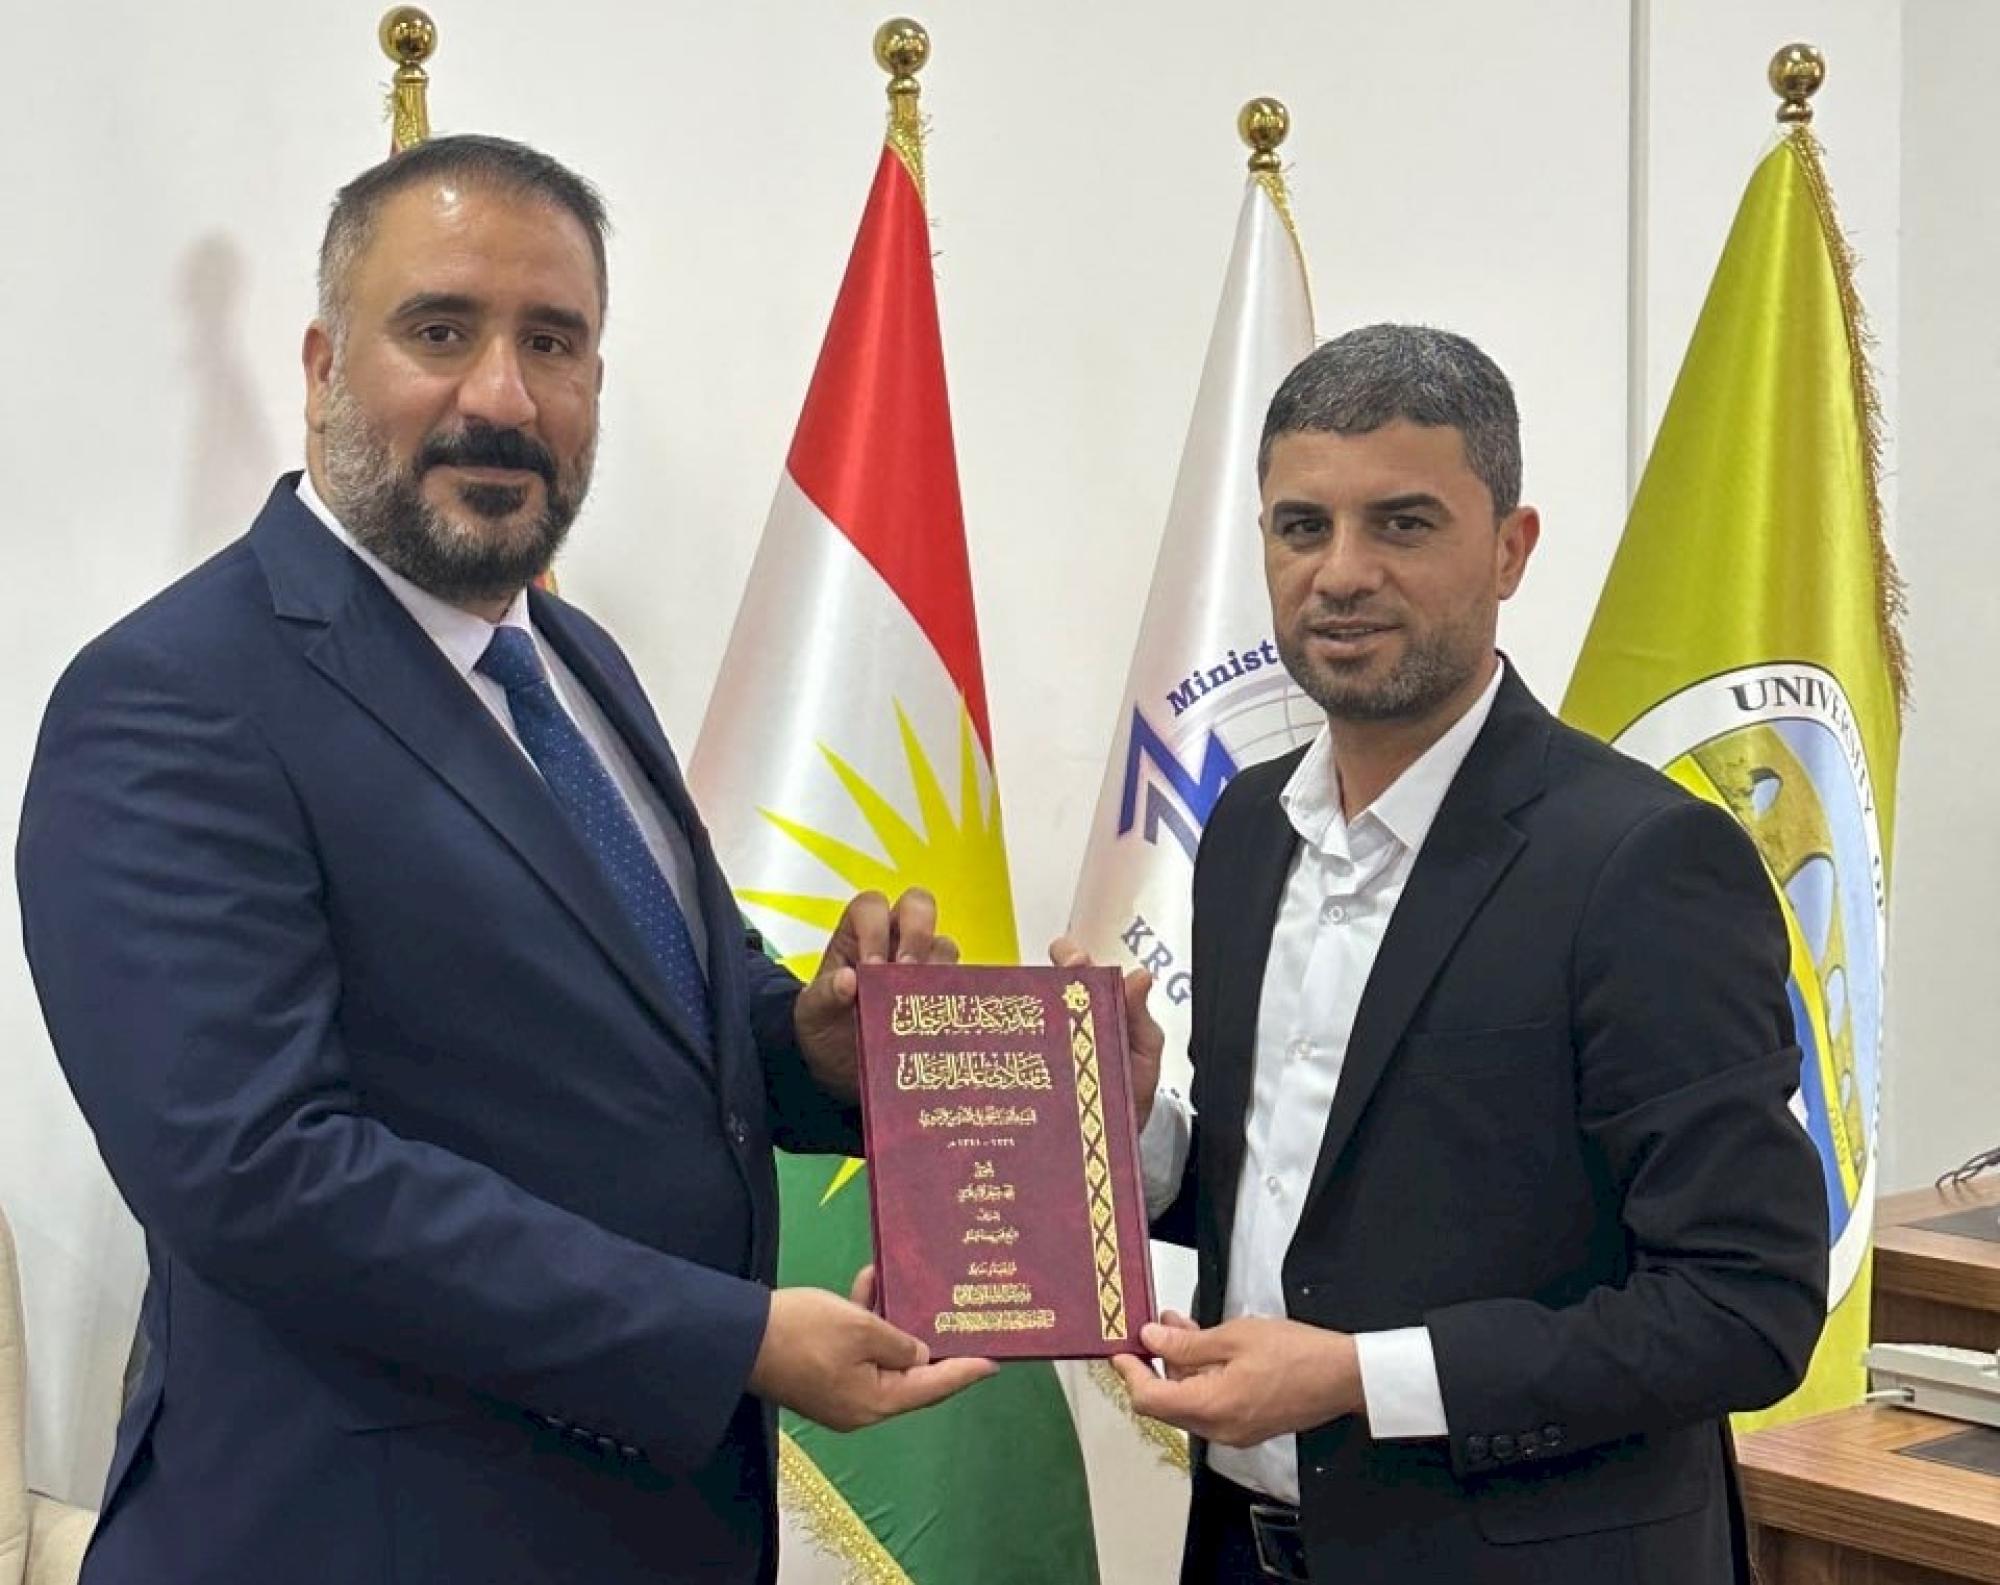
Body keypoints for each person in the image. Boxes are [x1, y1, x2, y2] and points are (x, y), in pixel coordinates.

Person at [16, 134, 992, 1585]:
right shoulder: (174, 696)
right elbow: (259, 1171)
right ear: (322, 367)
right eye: (439, 330)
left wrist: (810, 1040)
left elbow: (663, 1014)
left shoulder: (573, 660)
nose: (502, 396)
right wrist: (727, 1337)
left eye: (553, 341)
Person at [1064, 325, 1829, 1584]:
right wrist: (1137, 1126)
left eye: (1402, 524)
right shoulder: (1247, 827)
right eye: (1300, 526)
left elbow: (1742, 1306)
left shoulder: (1642, 862)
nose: (1340, 573)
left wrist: (1357, 1377)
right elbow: (1322, 1205)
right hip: (1241, 1550)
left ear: (1509, 548)